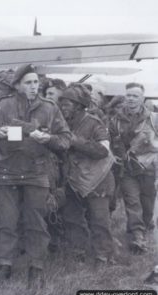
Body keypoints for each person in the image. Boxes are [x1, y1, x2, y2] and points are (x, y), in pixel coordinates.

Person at [0, 64, 71, 285]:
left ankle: (36, 266)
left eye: (36, 82)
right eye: (28, 83)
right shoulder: (2, 106)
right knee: (7, 221)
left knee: (36, 221)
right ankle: (5, 264)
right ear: (18, 86)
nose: (33, 86)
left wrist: (48, 140)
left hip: (37, 170)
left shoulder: (50, 108)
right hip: (6, 170)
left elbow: (66, 139)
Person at [57, 85, 115, 267]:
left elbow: (103, 150)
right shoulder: (62, 122)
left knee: (99, 219)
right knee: (72, 217)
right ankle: (78, 251)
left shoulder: (94, 123)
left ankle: (103, 256)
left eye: (67, 104)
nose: (63, 108)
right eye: (62, 104)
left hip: (97, 180)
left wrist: (75, 141)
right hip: (73, 179)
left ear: (79, 106)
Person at [110, 82, 157, 254]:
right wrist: (114, 154)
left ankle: (142, 229)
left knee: (147, 204)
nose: (131, 99)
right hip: (127, 168)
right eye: (128, 95)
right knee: (132, 202)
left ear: (142, 98)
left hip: (148, 167)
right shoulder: (115, 120)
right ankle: (138, 237)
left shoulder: (153, 118)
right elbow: (110, 141)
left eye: (135, 96)